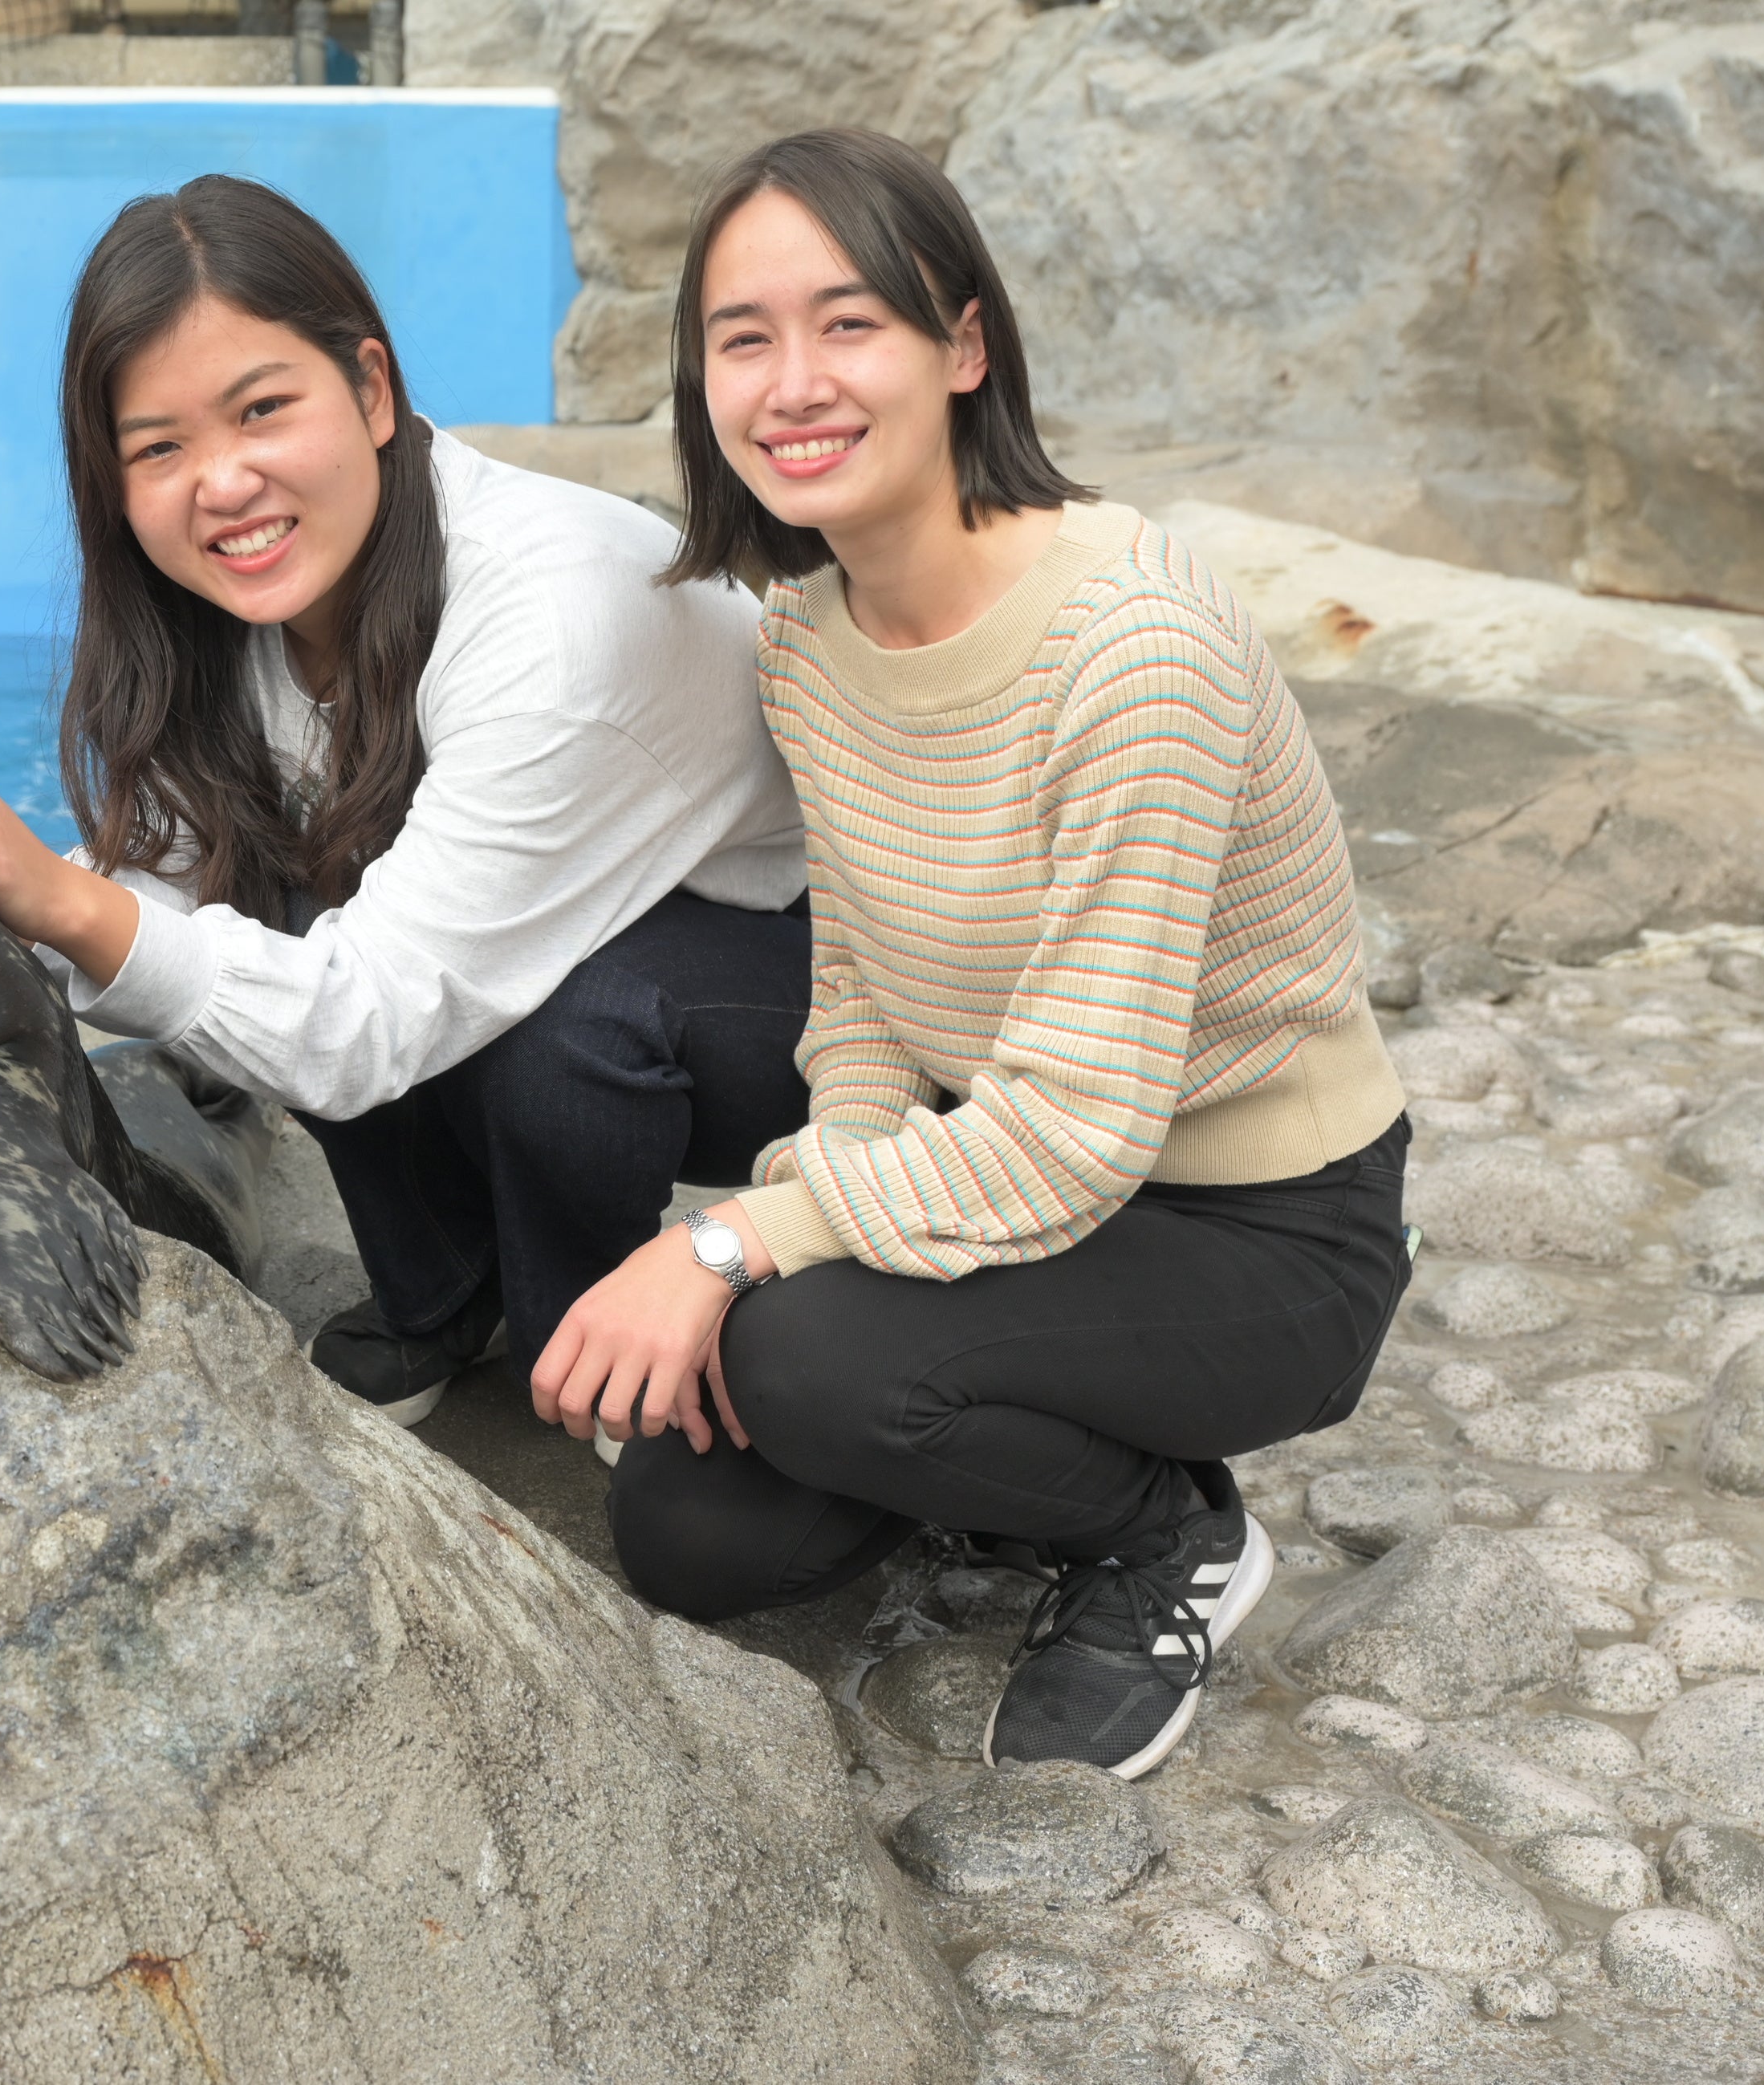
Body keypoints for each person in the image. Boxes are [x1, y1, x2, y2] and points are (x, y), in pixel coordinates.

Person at [530, 128, 1415, 1781]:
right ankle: (984, 1444)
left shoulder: (1130, 644)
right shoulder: (809, 636)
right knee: (690, 1525)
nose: (794, 381)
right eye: (744, 337)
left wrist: (733, 1251)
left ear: (963, 345)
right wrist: (807, 1220)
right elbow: (859, 1007)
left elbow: (1078, 1127)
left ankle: (1170, 1539)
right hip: (1007, 1176)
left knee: (791, 1350)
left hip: (1260, 1228)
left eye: (849, 323)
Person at [0, 174, 814, 1424]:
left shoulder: (554, 614)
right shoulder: (251, 612)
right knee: (274, 862)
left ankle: (592, 1344)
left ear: (373, 390)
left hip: (802, 994)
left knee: (570, 1023)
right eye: (160, 448)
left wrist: (66, 907)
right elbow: (173, 877)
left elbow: (362, 1019)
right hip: (588, 924)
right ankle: (449, 1293)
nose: (223, 483)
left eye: (263, 410)